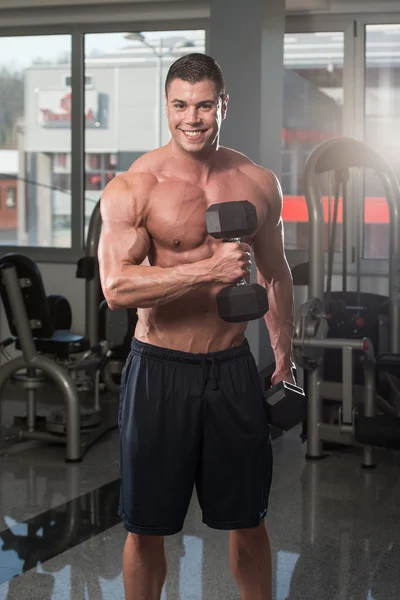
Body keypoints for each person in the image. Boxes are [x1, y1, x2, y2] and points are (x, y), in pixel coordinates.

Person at [98, 53, 294, 600]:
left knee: (248, 519)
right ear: (166, 106)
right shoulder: (135, 186)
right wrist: (209, 269)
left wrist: (284, 353)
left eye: (204, 104)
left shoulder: (257, 181)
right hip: (160, 369)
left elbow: (276, 276)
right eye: (181, 105)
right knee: (146, 526)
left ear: (222, 105)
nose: (192, 117)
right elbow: (116, 287)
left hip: (231, 369)